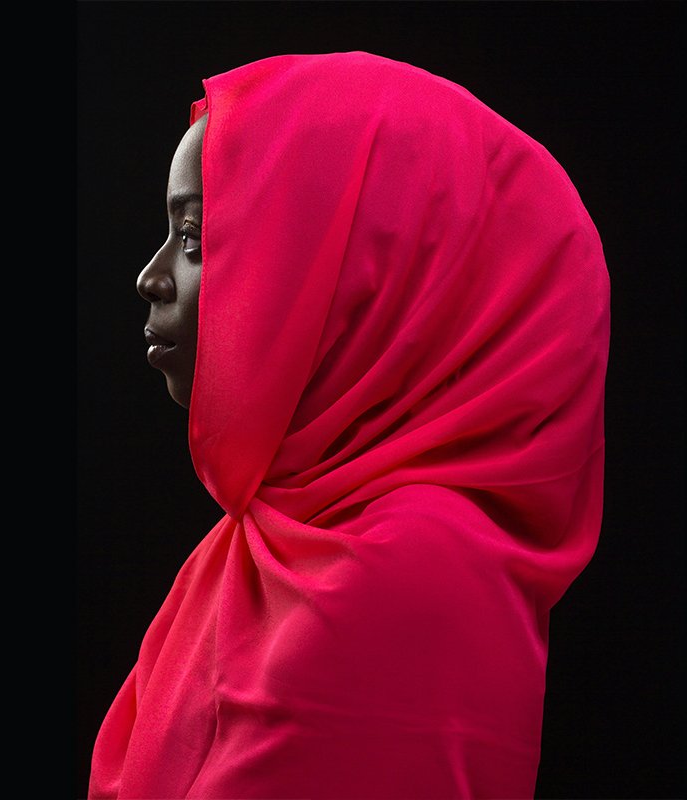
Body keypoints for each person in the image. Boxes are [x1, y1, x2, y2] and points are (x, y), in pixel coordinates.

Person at [89, 50, 610, 799]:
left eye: (198, 237)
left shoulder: (410, 581)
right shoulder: (253, 545)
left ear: (368, 274)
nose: (154, 275)